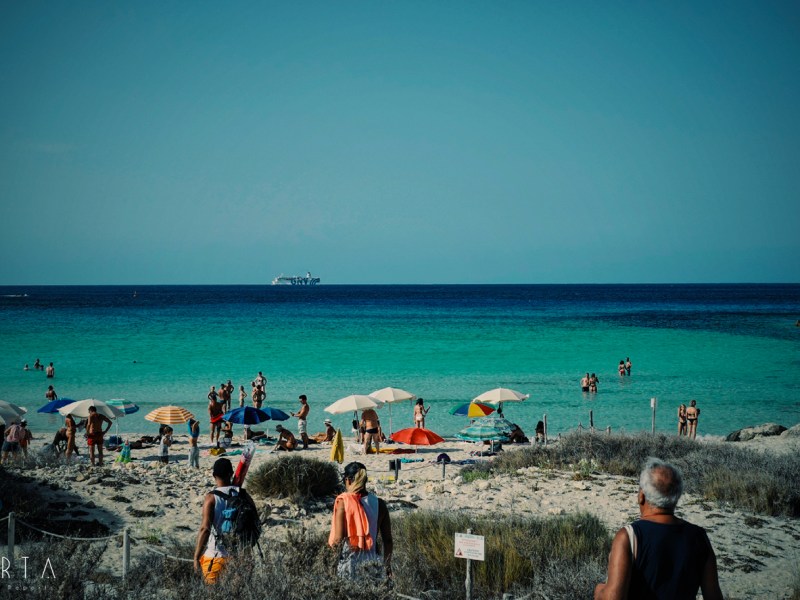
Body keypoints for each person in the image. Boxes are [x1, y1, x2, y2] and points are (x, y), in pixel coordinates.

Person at [594, 458, 723, 600]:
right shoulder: (699, 536)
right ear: (676, 497)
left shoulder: (629, 536)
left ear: (641, 497)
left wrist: (599, 591)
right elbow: (713, 595)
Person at [194, 458, 259, 585]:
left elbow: (205, 529)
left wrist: (196, 557)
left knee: (213, 595)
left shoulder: (211, 498)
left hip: (216, 557)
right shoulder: (244, 495)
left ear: (214, 476)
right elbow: (256, 523)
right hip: (242, 558)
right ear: (231, 474)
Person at [328, 462, 393, 580]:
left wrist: (332, 568)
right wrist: (387, 566)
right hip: (373, 563)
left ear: (347, 480)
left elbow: (338, 540)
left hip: (349, 563)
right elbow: (387, 540)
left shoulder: (343, 502)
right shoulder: (380, 504)